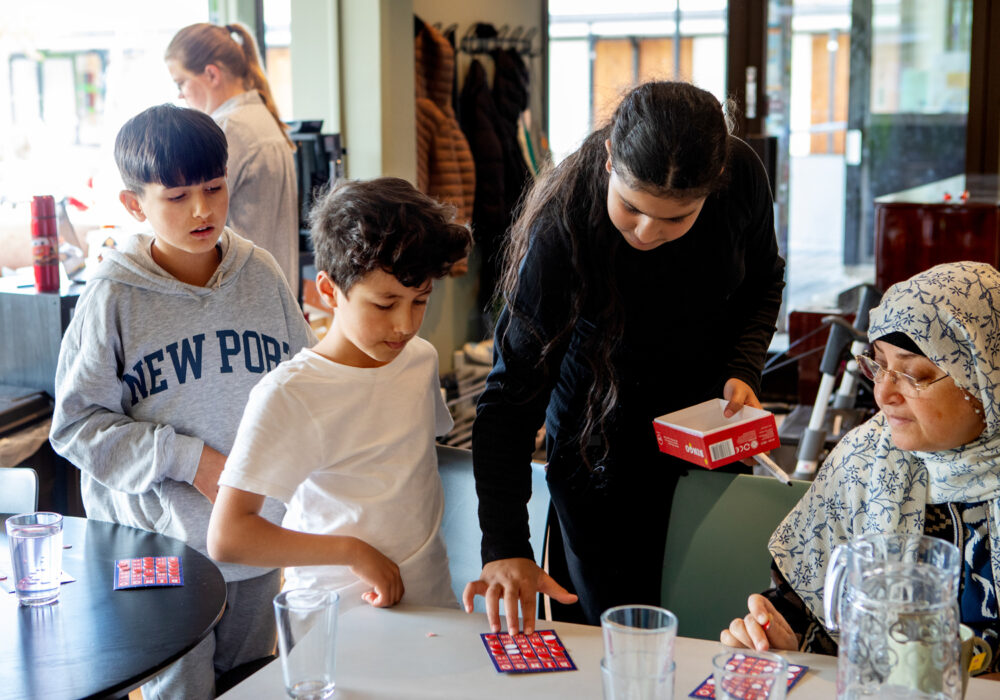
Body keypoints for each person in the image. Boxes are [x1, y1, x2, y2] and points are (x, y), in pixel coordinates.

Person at [465, 81, 786, 633]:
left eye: (676, 219)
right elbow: (508, 399)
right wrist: (505, 545)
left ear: (716, 186)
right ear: (611, 158)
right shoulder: (560, 230)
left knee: (710, 625)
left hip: (704, 438)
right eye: (632, 208)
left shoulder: (744, 178)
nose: (648, 232)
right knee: (615, 635)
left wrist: (743, 366)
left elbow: (764, 280)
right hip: (599, 454)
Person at [49, 104, 315, 699]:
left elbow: (302, 385)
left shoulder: (262, 273)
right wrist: (191, 460)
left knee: (252, 683)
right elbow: (74, 427)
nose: (202, 210)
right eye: (176, 197)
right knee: (182, 691)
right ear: (134, 205)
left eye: (214, 188)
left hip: (255, 537)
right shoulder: (112, 296)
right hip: (161, 553)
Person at [720, 260, 1000, 677]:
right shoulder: (865, 459)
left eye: (914, 374)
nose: (883, 392)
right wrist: (784, 638)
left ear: (984, 380)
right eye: (879, 364)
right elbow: (805, 610)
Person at [207, 177, 472, 611]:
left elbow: (412, 473)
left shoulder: (420, 359)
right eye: (385, 305)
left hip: (429, 600)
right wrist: (353, 550)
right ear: (329, 291)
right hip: (333, 614)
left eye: (420, 300)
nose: (405, 324)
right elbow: (228, 536)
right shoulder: (290, 393)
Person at [165, 22, 300, 293]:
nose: (180, 94)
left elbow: (195, 224)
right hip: (269, 291)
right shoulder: (260, 118)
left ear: (212, 74)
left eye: (181, 82)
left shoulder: (228, 129)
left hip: (243, 294)